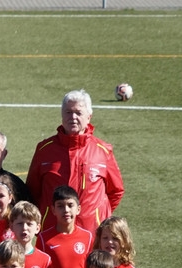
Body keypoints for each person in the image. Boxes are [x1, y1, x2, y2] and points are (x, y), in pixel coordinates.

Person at [27, 89, 125, 229]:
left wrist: (98, 216)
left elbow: (116, 191)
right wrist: (46, 216)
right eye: (68, 112)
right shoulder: (44, 149)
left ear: (89, 117)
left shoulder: (103, 150)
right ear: (62, 115)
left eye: (78, 113)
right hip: (53, 230)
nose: (73, 117)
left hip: (92, 231)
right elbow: (32, 191)